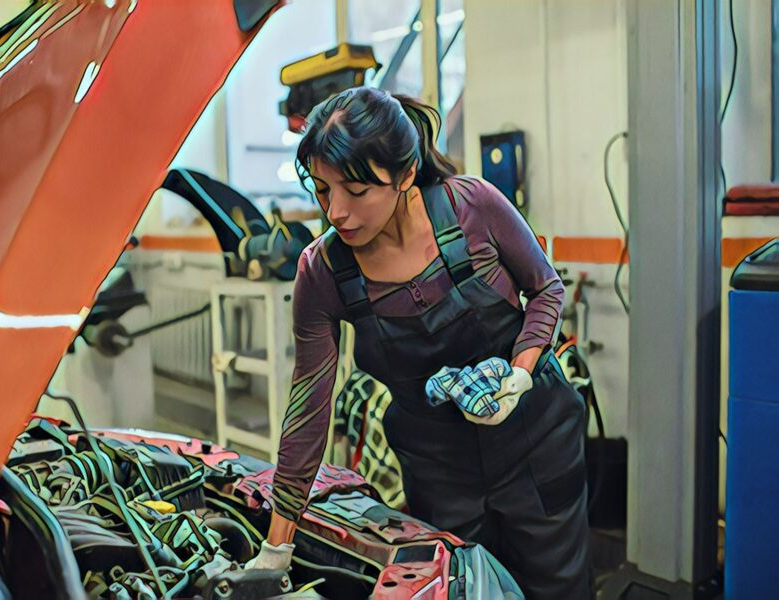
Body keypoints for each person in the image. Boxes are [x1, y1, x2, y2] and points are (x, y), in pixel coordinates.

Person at [246, 86, 591, 599]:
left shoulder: (472, 207)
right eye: (322, 191)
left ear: (405, 174)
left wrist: (519, 373)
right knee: (459, 589)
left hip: (534, 444)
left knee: (556, 587)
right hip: (438, 469)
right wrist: (277, 546)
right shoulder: (322, 272)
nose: (336, 212)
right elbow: (308, 410)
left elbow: (545, 288)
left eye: (357, 191)